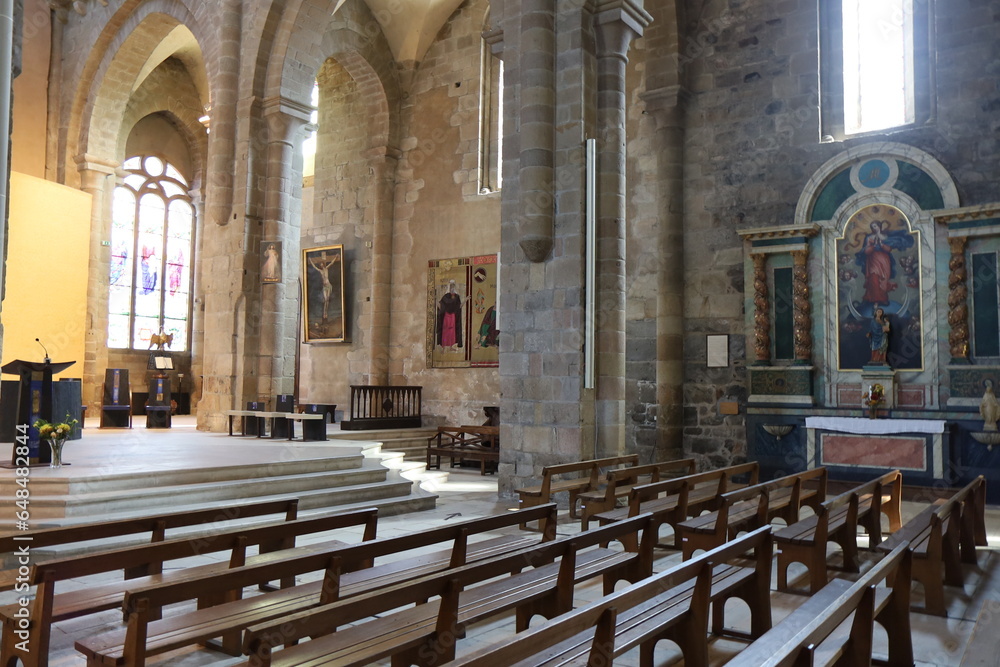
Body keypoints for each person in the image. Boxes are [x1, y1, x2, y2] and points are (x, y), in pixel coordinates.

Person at [855, 219, 913, 307]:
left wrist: (882, 245)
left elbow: (889, 249)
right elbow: (866, 251)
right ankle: (874, 299)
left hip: (884, 260)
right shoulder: (869, 238)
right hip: (873, 260)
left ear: (879, 226)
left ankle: (882, 299)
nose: (874, 228)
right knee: (873, 278)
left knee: (883, 280)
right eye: (872, 227)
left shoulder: (885, 237)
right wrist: (873, 246)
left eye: (875, 226)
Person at [308, 251, 340, 321]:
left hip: (328, 285)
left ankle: (326, 313)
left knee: (327, 299)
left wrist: (335, 257)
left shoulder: (326, 269)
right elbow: (314, 267)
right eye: (321, 265)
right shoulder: (320, 271)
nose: (322, 265)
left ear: (324, 264)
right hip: (324, 287)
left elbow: (331, 263)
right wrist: (310, 260)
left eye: (322, 264)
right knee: (325, 300)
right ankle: (324, 313)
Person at [437, 281, 464, 351]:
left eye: (453, 287)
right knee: (445, 331)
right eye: (451, 287)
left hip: (453, 317)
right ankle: (443, 347)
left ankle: (451, 347)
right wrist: (435, 301)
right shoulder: (446, 296)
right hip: (446, 316)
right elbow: (441, 305)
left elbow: (459, 306)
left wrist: (465, 300)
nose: (452, 288)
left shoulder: (457, 297)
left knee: (452, 332)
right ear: (449, 287)